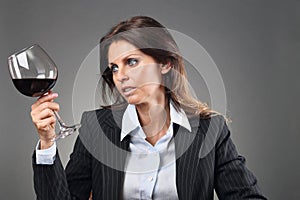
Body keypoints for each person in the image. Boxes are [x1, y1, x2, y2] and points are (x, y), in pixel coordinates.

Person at [31, 16, 267, 199]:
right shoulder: (96, 127)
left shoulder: (210, 130)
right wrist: (47, 144)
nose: (120, 76)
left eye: (131, 62)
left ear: (165, 63)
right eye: (114, 68)